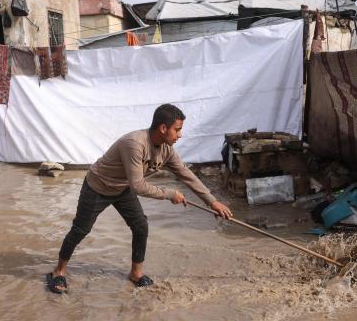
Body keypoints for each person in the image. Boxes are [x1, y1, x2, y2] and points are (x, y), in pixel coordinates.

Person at [47, 104, 233, 293]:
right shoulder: (134, 143)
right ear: (163, 128)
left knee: (140, 226)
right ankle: (58, 271)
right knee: (81, 229)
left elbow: (186, 174)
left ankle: (136, 273)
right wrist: (170, 194)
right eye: (177, 129)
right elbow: (138, 186)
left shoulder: (166, 150)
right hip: (98, 187)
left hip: (123, 188)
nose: (180, 135)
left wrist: (212, 201)